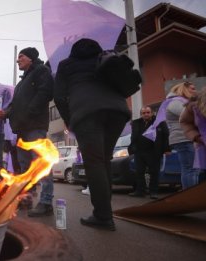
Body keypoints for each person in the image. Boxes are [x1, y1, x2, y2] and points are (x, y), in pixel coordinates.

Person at [55, 38, 131, 231]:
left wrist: (69, 118)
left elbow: (58, 96)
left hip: (87, 113)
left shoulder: (66, 65)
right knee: (104, 160)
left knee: (95, 162)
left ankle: (103, 216)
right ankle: (105, 211)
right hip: (118, 111)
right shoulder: (105, 57)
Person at [0, 47, 54, 215]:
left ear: (30, 58)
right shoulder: (21, 83)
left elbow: (45, 93)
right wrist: (5, 113)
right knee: (25, 166)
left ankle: (46, 202)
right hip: (21, 129)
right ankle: (26, 199)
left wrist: (29, 113)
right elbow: (14, 106)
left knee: (40, 164)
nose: (18, 60)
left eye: (21, 57)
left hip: (35, 127)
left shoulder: (41, 71)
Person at [128, 107, 170, 199]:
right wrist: (133, 149)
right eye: (143, 113)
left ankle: (153, 192)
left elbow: (165, 135)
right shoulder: (136, 123)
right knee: (139, 172)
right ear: (141, 114)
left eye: (148, 112)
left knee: (154, 172)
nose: (146, 114)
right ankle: (140, 191)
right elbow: (133, 137)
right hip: (139, 151)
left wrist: (167, 149)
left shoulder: (159, 122)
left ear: (152, 113)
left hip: (154, 151)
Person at [164, 82, 199, 189]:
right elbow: (190, 115)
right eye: (192, 89)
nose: (195, 90)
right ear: (183, 90)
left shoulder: (183, 101)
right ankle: (190, 195)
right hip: (183, 138)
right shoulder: (174, 102)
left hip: (188, 137)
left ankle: (192, 194)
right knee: (190, 168)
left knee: (194, 169)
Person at [180, 87, 206, 183]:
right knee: (202, 175)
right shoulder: (195, 105)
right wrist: (196, 136)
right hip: (203, 146)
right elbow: (184, 122)